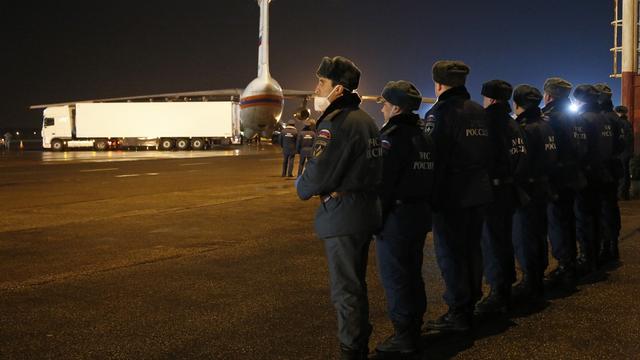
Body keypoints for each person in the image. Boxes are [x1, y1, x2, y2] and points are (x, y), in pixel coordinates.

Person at [295, 56, 382, 360]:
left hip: (344, 214)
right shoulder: (367, 120)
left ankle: (352, 348)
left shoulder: (338, 123)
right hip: (364, 209)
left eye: (321, 82)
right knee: (355, 284)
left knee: (345, 289)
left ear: (338, 88)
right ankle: (357, 338)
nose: (316, 87)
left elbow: (318, 172)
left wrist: (300, 187)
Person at [424, 60, 493, 332]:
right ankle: (472, 303)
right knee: (473, 250)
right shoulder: (479, 111)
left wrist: (432, 195)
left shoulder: (439, 113)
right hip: (479, 191)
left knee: (451, 254)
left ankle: (458, 312)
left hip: (452, 194)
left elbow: (434, 156)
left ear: (439, 84)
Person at [374, 80, 434, 357]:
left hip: (397, 217)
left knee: (397, 276)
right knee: (413, 273)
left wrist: (375, 218)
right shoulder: (423, 135)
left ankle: (404, 336)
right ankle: (415, 328)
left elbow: (382, 183)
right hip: (419, 213)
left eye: (385, 104)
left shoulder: (392, 137)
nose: (383, 109)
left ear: (396, 107)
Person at [474, 80, 526, 315]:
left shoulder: (488, 123)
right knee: (505, 240)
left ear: (491, 99)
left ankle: (498, 293)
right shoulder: (513, 124)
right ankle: (505, 287)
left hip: (491, 191)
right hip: (509, 189)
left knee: (492, 242)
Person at [510, 85, 558, 305]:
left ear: (516, 103)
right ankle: (537, 276)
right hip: (544, 185)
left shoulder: (524, 128)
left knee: (525, 236)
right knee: (539, 233)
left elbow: (521, 161)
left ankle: (530, 282)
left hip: (528, 189)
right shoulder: (545, 125)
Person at [542, 78, 587, 290]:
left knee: (558, 222)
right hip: (574, 174)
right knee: (569, 220)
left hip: (557, 178)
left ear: (548, 96)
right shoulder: (575, 118)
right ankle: (570, 262)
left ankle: (564, 267)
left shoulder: (550, 118)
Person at [572, 84, 615, 276]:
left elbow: (579, 149)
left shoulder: (582, 120)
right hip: (604, 173)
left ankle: (587, 259)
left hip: (588, 174)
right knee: (599, 216)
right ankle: (597, 255)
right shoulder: (607, 119)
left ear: (579, 100)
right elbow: (619, 144)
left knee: (584, 218)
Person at [595, 83, 625, 264]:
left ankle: (605, 247)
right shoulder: (615, 117)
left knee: (602, 208)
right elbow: (621, 145)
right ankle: (612, 245)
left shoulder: (602, 118)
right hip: (614, 168)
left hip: (602, 169)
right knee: (611, 207)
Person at [615, 105, 634, 200]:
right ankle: (624, 193)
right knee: (625, 172)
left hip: (622, 152)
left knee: (622, 173)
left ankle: (622, 194)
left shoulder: (620, 123)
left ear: (619, 113)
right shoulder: (627, 123)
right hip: (627, 151)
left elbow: (622, 139)